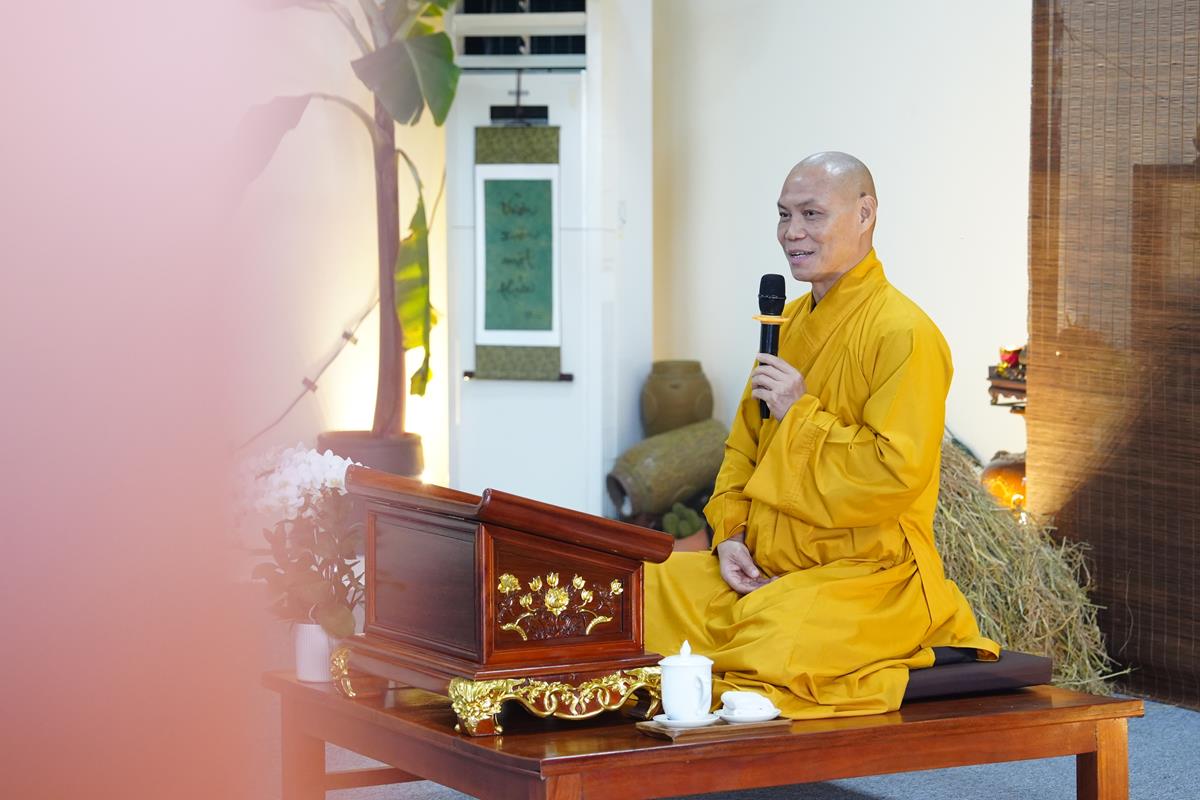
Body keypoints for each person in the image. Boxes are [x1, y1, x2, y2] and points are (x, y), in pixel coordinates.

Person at [644, 152, 1000, 719]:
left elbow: (894, 474)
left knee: (773, 641)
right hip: (761, 564)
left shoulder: (905, 334)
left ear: (865, 214)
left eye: (811, 214)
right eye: (784, 215)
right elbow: (742, 450)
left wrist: (799, 412)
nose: (792, 233)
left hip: (862, 579)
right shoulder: (785, 323)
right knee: (646, 589)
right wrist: (731, 536)